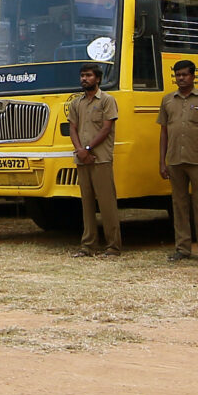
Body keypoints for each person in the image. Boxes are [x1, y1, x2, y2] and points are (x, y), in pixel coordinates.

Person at [157, 60, 198, 264]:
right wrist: (162, 161)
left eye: (184, 74)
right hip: (175, 160)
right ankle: (182, 248)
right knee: (179, 206)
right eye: (178, 75)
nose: (181, 78)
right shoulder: (168, 100)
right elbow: (164, 132)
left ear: (193, 76)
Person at [68, 63, 120, 256]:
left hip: (101, 158)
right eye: (82, 75)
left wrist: (88, 149)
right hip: (82, 159)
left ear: (97, 78)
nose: (84, 79)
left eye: (89, 75)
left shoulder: (107, 100)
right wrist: (80, 151)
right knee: (87, 204)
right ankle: (88, 245)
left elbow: (106, 129)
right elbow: (72, 128)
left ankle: (113, 246)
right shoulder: (76, 103)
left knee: (107, 204)